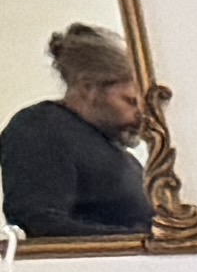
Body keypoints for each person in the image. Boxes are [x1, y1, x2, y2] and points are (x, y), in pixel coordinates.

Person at [3, 20, 153, 237]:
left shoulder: (118, 155)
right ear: (88, 88)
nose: (141, 114)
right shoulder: (41, 128)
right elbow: (38, 224)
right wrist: (141, 240)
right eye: (130, 101)